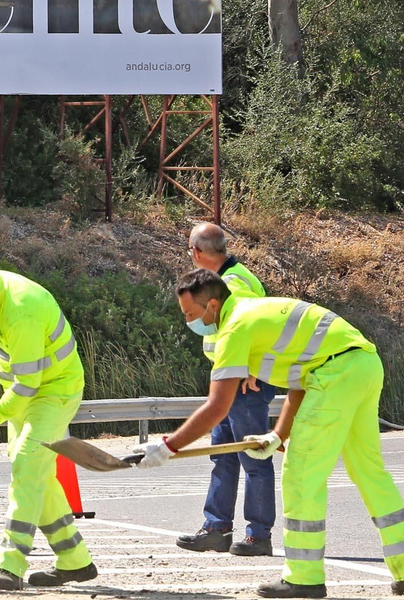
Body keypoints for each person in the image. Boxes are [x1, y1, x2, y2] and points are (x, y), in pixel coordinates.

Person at [134, 270, 404, 599]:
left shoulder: (234, 328)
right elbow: (300, 379)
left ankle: (304, 577)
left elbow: (217, 407)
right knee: (368, 470)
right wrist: (278, 434)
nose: (189, 321)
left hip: (335, 373)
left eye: (191, 314)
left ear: (213, 306)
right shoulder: (255, 311)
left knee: (301, 473)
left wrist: (166, 448)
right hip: (363, 363)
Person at [0, 250, 97, 592]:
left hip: (52, 393)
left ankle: (10, 566)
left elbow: (29, 386)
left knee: (27, 465)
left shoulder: (21, 310)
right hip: (23, 395)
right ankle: (75, 561)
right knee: (37, 475)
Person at [178, 222, 276, 558]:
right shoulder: (229, 277)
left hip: (244, 380)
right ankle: (216, 528)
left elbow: (253, 324)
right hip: (231, 376)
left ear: (196, 251)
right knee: (223, 457)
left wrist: (249, 366)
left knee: (252, 457)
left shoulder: (233, 283)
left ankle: (258, 535)